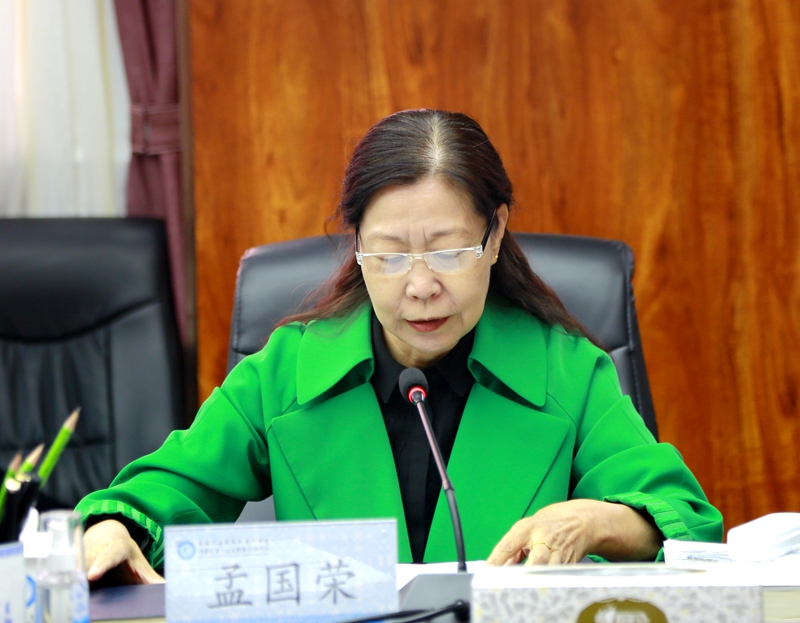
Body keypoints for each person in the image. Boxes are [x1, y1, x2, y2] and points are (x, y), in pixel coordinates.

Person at [77, 109, 722, 584]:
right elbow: (163, 492)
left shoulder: (565, 369)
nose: (420, 287)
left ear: (495, 235)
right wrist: (114, 530)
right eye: (388, 254)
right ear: (356, 244)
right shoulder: (291, 368)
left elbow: (686, 521)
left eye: (448, 251)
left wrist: (593, 521)